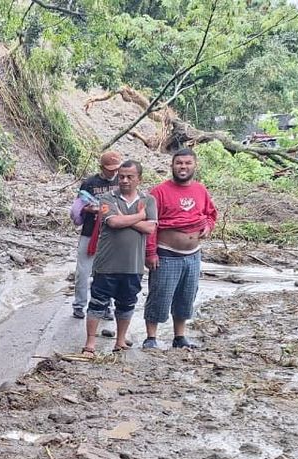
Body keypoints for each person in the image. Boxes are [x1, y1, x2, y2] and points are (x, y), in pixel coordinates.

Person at [143, 148, 217, 350]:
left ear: (195, 165)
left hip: (193, 255)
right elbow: (150, 224)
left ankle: (179, 336)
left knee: (186, 296)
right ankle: (151, 337)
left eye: (187, 163)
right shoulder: (158, 192)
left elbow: (211, 213)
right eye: (179, 163)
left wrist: (208, 226)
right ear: (172, 165)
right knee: (159, 295)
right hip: (166, 254)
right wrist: (150, 253)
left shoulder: (200, 190)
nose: (183, 167)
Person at [81, 160, 156, 354]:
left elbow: (150, 228)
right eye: (121, 176)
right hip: (106, 264)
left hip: (133, 265)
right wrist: (140, 217)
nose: (124, 180)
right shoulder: (108, 198)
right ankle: (90, 343)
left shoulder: (148, 201)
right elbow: (113, 222)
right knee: (97, 303)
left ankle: (120, 340)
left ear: (139, 179)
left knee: (127, 304)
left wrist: (127, 219)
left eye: (130, 177)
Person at [72, 151, 122, 322]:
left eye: (116, 168)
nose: (113, 172)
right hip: (90, 232)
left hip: (112, 235)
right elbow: (79, 206)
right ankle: (79, 305)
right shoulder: (89, 183)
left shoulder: (121, 181)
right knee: (83, 271)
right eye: (109, 169)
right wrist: (91, 209)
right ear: (101, 167)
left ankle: (106, 306)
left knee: (108, 272)